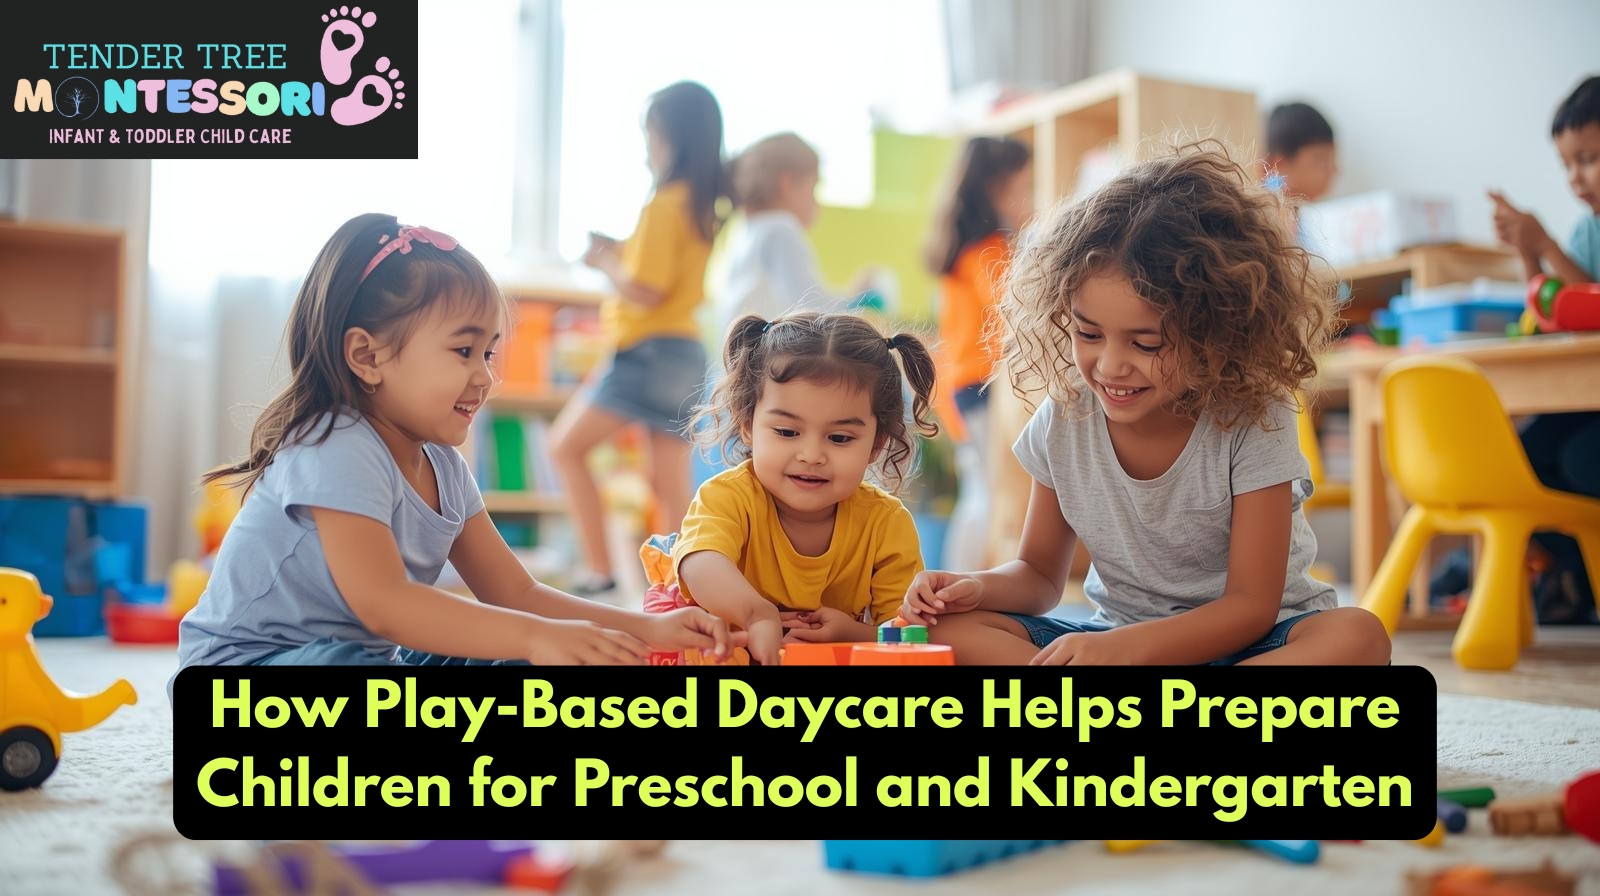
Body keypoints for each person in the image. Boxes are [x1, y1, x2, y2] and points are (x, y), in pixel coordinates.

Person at [170, 214, 737, 698]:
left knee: (517, 655)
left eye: (488, 353)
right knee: (367, 666)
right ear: (367, 356)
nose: (485, 376)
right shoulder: (335, 443)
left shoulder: (445, 466)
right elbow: (386, 606)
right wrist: (537, 636)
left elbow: (516, 594)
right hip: (238, 679)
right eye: (464, 350)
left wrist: (645, 630)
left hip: (364, 660)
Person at [900, 142, 1393, 666]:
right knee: (942, 628)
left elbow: (1251, 606)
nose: (1110, 366)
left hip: (1250, 644)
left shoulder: (1254, 416)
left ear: (1215, 333)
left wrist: (1123, 650)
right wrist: (974, 587)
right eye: (1089, 333)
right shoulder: (1066, 415)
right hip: (1116, 637)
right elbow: (1039, 576)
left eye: (1146, 343)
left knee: (1358, 635)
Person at [662, 311, 939, 666]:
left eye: (839, 438)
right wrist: (757, 615)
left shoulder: (886, 523)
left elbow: (907, 634)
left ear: (876, 445)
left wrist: (854, 634)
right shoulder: (728, 497)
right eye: (787, 432)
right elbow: (700, 563)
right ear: (747, 424)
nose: (811, 455)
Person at [555, 81, 730, 597]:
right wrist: (622, 251)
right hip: (683, 350)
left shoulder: (662, 206)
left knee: (565, 447)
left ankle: (598, 570)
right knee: (671, 485)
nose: (646, 149)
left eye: (649, 136)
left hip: (648, 351)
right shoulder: (699, 206)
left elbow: (647, 289)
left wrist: (604, 261)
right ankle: (684, 586)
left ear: (670, 138)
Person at [1452, 74, 1600, 624]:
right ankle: (1577, 577)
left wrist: (1548, 245)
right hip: (1585, 397)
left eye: (1588, 159)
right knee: (1524, 459)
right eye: (1567, 164)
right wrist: (1528, 251)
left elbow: (1590, 303)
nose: (1575, 177)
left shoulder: (1574, 240)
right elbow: (1550, 312)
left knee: (1581, 460)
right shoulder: (1586, 233)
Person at [921, 135, 1032, 570]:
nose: (1029, 198)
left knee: (978, 490)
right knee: (990, 491)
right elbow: (1012, 308)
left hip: (963, 383)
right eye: (1024, 187)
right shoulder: (988, 249)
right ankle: (966, 582)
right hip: (982, 381)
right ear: (998, 188)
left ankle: (957, 580)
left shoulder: (964, 248)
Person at [718, 132, 882, 323]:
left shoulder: (747, 229)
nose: (816, 202)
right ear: (787, 184)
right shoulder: (780, 229)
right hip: (768, 342)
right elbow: (811, 304)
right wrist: (855, 299)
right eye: (813, 189)